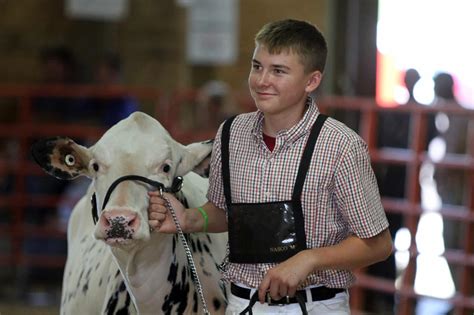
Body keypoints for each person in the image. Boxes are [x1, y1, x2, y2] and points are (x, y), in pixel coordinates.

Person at [148, 19, 392, 314]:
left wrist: (308, 260)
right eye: (257, 66)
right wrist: (188, 219)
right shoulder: (231, 133)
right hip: (242, 303)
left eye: (278, 70)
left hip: (315, 306)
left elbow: (378, 244)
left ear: (311, 81)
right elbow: (227, 212)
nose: (262, 80)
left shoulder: (341, 146)